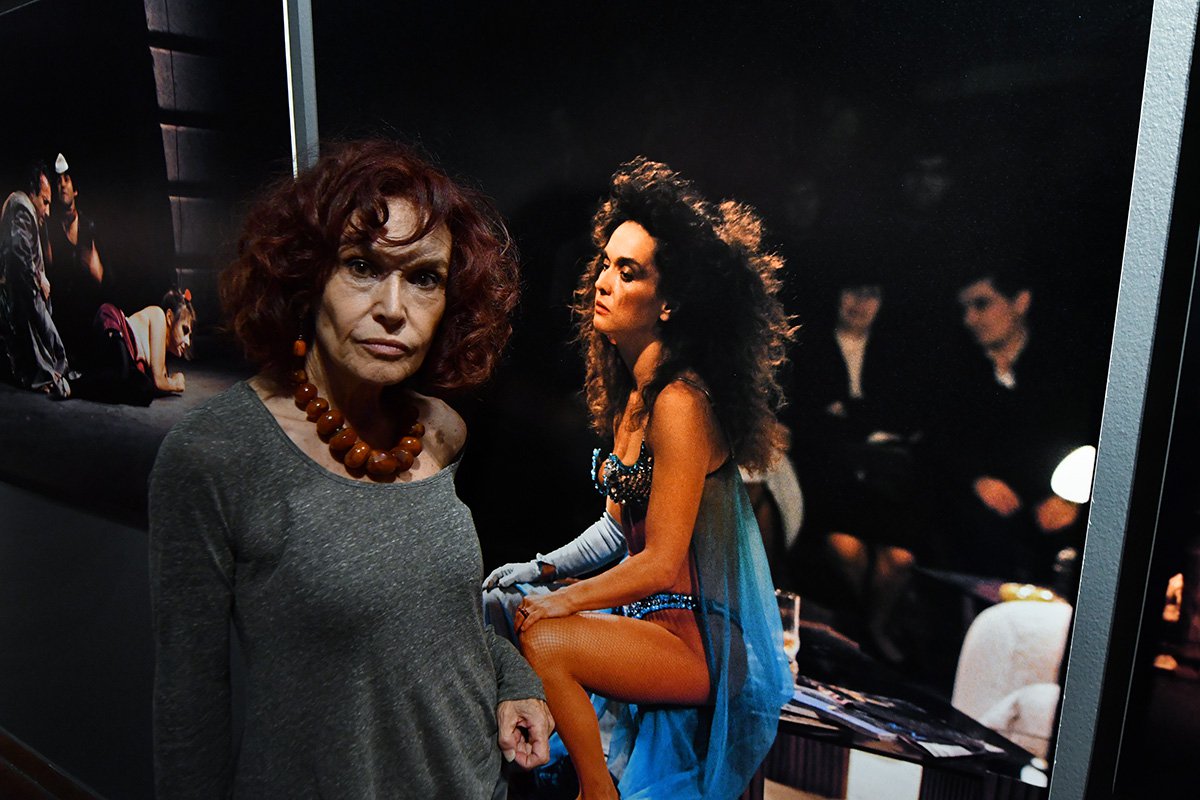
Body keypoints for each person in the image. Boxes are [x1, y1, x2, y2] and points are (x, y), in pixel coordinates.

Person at [149, 140, 552, 799]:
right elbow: (188, 706)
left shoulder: (441, 431)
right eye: (362, 266)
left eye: (424, 278)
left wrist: (514, 681)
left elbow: (440, 620)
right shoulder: (216, 453)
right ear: (308, 277)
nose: (393, 307)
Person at [487, 158, 793, 800]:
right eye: (605, 264)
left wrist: (564, 601)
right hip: (648, 625)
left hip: (700, 642)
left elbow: (659, 563)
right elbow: (612, 532)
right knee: (503, 608)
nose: (603, 281)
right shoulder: (634, 399)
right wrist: (537, 570)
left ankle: (597, 793)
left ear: (670, 301)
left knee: (544, 636)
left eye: (628, 272)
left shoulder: (680, 404)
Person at [929, 259, 1092, 584]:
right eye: (965, 309)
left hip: (1054, 503)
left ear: (1020, 302)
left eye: (981, 304)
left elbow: (1089, 439)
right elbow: (938, 442)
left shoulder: (1064, 366)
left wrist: (1072, 498)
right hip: (984, 512)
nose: (970, 319)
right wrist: (977, 480)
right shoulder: (957, 371)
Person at [789, 275, 922, 663]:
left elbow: (905, 416)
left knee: (900, 559)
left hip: (883, 481)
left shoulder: (894, 351)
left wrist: (845, 413)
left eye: (870, 294)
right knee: (845, 549)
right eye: (852, 291)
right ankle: (869, 635)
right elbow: (808, 421)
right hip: (832, 476)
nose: (859, 302)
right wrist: (855, 422)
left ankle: (869, 631)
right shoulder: (810, 346)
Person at [0, 161, 75, 397]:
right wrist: (38, 278)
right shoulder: (22, 207)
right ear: (33, 192)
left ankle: (51, 372)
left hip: (25, 294)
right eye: (45, 202)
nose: (48, 211)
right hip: (21, 298)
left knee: (49, 339)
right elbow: (19, 256)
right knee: (47, 339)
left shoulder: (22, 207)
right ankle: (48, 374)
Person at [74, 288, 193, 404]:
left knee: (145, 389)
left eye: (190, 336)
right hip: (113, 324)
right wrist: (175, 383)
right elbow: (159, 382)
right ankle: (71, 385)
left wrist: (167, 382)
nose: (187, 342)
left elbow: (157, 386)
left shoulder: (162, 362)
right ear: (169, 317)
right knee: (122, 371)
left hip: (124, 360)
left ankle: (83, 376)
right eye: (185, 330)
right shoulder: (159, 315)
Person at [47, 152, 110, 358]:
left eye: (66, 179)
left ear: (75, 190)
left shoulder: (90, 227)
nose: (62, 185)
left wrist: (98, 273)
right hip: (62, 325)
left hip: (89, 323)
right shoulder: (50, 230)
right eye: (58, 181)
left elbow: (110, 278)